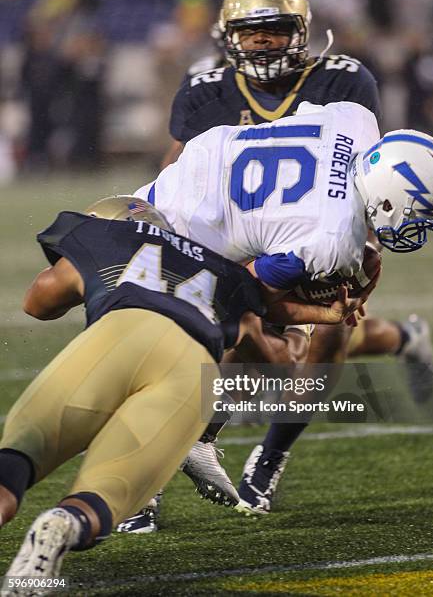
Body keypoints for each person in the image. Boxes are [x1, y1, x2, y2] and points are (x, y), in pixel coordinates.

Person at [147, 0, 433, 516]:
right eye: (250, 31)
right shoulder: (206, 86)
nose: (263, 42)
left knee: (328, 330)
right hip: (230, 226)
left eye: (276, 29)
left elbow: (365, 177)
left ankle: (270, 454)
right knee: (219, 337)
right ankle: (147, 479)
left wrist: (356, 255)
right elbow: (178, 166)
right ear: (228, 37)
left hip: (305, 228)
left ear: (303, 32)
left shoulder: (345, 80)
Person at [0, 195, 295, 586]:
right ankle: (62, 524)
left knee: (15, 463)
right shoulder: (225, 273)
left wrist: (87, 275)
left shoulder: (105, 237)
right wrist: (320, 318)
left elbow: (37, 303)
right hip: (189, 369)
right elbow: (275, 361)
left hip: (117, 337)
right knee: (104, 495)